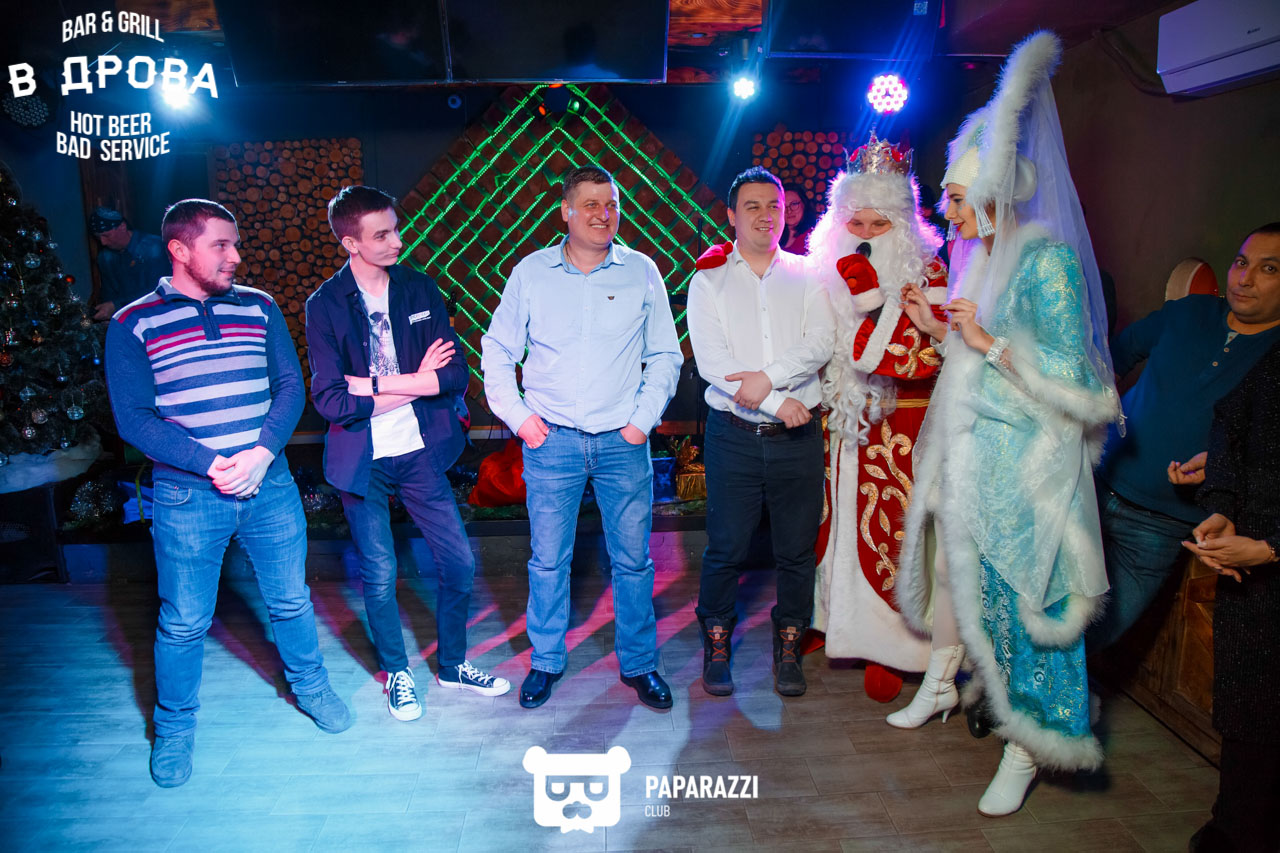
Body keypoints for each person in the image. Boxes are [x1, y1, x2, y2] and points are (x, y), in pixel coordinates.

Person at [891, 32, 1121, 817]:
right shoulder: (980, 257)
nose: (948, 211)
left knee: (1034, 609)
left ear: (997, 189)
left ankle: (1031, 745)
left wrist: (986, 341)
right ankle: (994, 709)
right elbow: (975, 358)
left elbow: (1078, 384)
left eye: (958, 198)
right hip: (982, 460)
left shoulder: (1048, 261)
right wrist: (941, 327)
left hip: (1032, 468)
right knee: (987, 601)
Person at [105, 199, 350, 788]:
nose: (236, 255)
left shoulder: (259, 306)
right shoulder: (132, 323)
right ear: (179, 249)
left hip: (271, 486)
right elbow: (133, 419)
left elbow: (290, 387)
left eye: (235, 243)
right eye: (221, 245)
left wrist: (262, 453)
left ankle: (312, 687)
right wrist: (211, 463)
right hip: (188, 498)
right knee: (184, 622)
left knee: (291, 600)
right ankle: (174, 727)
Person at [481, 165, 682, 710]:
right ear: (565, 212)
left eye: (611, 203)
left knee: (634, 562)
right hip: (553, 442)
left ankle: (639, 664)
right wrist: (520, 419)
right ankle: (546, 661)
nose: (603, 213)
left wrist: (641, 421)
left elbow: (665, 355)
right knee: (548, 561)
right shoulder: (531, 273)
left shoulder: (641, 270)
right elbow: (497, 349)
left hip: (623, 441)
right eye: (590, 203)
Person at [305, 186, 510, 722]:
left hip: (421, 451)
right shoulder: (325, 305)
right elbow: (332, 401)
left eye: (396, 228)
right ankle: (397, 671)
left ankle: (453, 664)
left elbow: (454, 375)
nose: (397, 241)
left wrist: (374, 385)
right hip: (362, 460)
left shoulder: (420, 288)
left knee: (459, 563)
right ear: (350, 243)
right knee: (379, 573)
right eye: (382, 235)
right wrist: (417, 380)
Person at [1087, 222, 1280, 655]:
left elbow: (1268, 459)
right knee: (1042, 608)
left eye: (1268, 268)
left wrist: (1222, 464)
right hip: (1093, 484)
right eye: (1241, 262)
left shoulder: (1274, 356)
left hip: (1162, 523)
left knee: (1096, 636)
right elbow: (1111, 359)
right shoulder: (1191, 312)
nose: (1245, 278)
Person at [807, 132, 949, 704]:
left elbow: (922, 358)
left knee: (892, 536)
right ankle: (831, 622)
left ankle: (894, 646)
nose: (864, 235)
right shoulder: (822, 270)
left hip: (900, 429)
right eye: (856, 223)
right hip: (837, 428)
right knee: (833, 527)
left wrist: (872, 303)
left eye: (878, 224)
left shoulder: (931, 273)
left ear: (904, 225)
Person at [685, 166, 834, 697]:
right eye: (752, 206)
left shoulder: (809, 274)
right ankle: (717, 640)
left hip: (799, 439)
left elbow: (821, 341)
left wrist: (768, 380)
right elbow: (713, 364)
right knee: (726, 548)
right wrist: (775, 403)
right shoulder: (708, 280)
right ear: (731, 214)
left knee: (795, 550)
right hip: (733, 437)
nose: (766, 215)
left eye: (774, 205)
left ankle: (789, 642)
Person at [1182, 339, 1280, 853]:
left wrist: (1271, 548)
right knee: (1247, 713)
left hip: (1262, 552)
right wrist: (1221, 505)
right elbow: (1230, 421)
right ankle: (1234, 828)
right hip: (1247, 567)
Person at [90, 206, 170, 321]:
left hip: (158, 316)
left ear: (122, 227)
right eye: (98, 238)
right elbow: (108, 293)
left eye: (106, 235)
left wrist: (116, 306)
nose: (103, 242)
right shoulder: (105, 257)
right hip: (126, 320)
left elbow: (158, 290)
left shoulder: (154, 248)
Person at [781, 185, 816, 255]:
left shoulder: (814, 236)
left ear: (804, 204)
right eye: (784, 206)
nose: (789, 211)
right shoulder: (774, 236)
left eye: (794, 204)